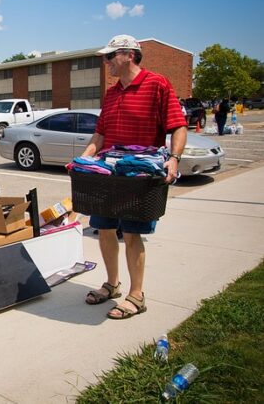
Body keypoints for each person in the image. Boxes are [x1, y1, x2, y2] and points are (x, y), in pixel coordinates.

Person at [82, 34, 187, 320]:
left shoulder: (157, 84)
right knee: (103, 229)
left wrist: (174, 160)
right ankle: (112, 284)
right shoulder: (112, 93)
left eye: (110, 56)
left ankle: (136, 295)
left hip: (140, 174)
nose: (106, 62)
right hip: (108, 173)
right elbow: (100, 134)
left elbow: (178, 126)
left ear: (129, 55)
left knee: (131, 233)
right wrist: (83, 159)